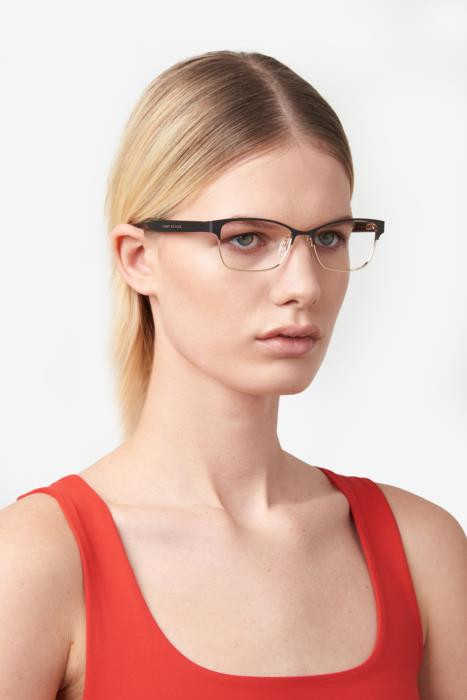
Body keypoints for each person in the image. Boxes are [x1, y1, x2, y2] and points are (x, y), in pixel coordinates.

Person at [1, 50, 466, 700]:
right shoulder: (35, 562)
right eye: (247, 238)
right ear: (138, 259)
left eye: (328, 238)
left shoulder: (423, 550)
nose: (303, 286)